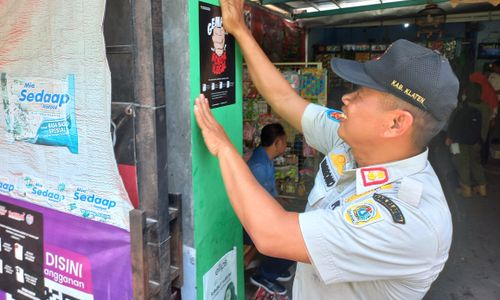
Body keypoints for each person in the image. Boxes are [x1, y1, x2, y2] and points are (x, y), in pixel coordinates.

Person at [194, 1, 459, 298]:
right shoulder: (350, 140)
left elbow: (271, 233)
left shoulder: (409, 221)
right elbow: (285, 100)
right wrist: (240, 32)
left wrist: (224, 147)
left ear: (396, 123)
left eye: (360, 95)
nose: (346, 98)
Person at [245, 123, 294, 295]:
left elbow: (266, 194)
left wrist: (280, 201)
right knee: (293, 237)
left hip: (261, 213)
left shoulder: (264, 158)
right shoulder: (259, 166)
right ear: (277, 142)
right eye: (285, 141)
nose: (286, 145)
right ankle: (265, 275)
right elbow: (256, 203)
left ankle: (274, 267)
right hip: (251, 219)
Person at [446, 83, 492, 197]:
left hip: (458, 142)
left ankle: (466, 189)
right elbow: (486, 126)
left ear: (467, 92)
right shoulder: (486, 108)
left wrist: (449, 137)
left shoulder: (462, 106)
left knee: (461, 163)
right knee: (475, 163)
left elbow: (453, 124)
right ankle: (482, 188)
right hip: (477, 142)